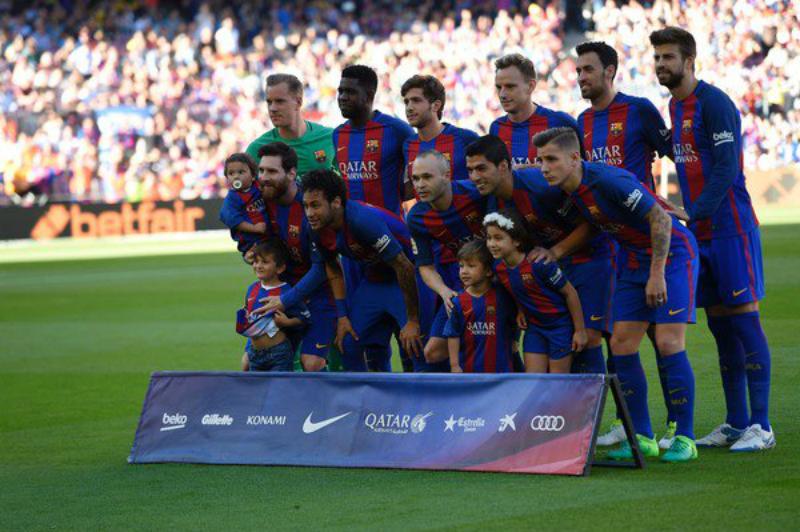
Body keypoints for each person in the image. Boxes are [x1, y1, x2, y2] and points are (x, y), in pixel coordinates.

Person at [534, 126, 699, 463]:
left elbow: (661, 222)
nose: (544, 167)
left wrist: (657, 274)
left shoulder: (607, 180)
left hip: (670, 257)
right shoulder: (572, 186)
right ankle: (641, 437)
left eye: (551, 159)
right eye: (540, 160)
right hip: (632, 261)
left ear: (574, 158)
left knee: (668, 342)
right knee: (621, 344)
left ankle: (685, 436)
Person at [651, 27, 774, 452]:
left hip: (731, 228)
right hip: (700, 232)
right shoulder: (674, 105)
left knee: (744, 321)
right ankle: (736, 422)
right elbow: (683, 153)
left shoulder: (714, 102)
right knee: (721, 328)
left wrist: (694, 211)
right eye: (657, 57)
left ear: (690, 61)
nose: (661, 64)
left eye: (668, 57)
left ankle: (763, 425)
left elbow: (726, 168)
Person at [575, 40, 676, 449]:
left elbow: (674, 155)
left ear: (610, 71)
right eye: (578, 70)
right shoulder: (580, 121)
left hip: (648, 239)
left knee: (661, 338)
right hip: (609, 245)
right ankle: (630, 421)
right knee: (620, 337)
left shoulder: (639, 110)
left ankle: (675, 426)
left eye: (588, 70)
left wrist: (675, 206)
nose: (581, 77)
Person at [465, 135, 611, 376]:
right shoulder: (492, 203)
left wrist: (555, 251)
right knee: (558, 342)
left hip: (589, 259)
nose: (474, 177)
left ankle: (594, 413)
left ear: (503, 166)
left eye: (481, 168)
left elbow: (593, 222)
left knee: (590, 339)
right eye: (470, 170)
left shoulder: (542, 187)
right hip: (548, 268)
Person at [299, 169, 423, 371]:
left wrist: (412, 320)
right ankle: (367, 401)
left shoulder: (360, 220)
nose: (310, 213)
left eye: (315, 205)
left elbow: (404, 266)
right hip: (374, 280)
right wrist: (342, 316)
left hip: (405, 278)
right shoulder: (315, 227)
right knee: (347, 342)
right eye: (306, 206)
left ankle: (420, 401)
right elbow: (333, 268)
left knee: (416, 345)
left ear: (336, 202)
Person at [250, 142, 339, 372]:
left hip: (319, 294)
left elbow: (322, 268)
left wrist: (286, 299)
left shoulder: (310, 209)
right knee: (252, 361)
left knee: (312, 363)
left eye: (271, 171)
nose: (263, 177)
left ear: (291, 173)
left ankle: (328, 407)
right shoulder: (263, 201)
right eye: (261, 170)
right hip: (285, 291)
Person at [406, 150, 486, 367]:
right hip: (463, 284)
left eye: (427, 177)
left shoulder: (476, 194)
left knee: (497, 342)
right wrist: (444, 292)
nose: (420, 184)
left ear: (447, 175)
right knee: (431, 353)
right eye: (415, 178)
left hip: (498, 281)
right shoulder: (416, 216)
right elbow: (425, 266)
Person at [484, 208, 587, 373]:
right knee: (533, 382)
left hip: (559, 327)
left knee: (557, 384)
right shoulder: (499, 267)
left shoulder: (539, 264)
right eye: (489, 238)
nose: (491, 244)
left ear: (516, 241)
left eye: (498, 238)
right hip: (535, 329)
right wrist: (520, 309)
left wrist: (580, 331)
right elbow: (516, 289)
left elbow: (570, 293)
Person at [333, 64, 415, 215]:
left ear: (369, 96)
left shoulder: (397, 130)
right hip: (352, 228)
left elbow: (419, 175)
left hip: (390, 229)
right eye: (341, 91)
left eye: (350, 92)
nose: (343, 97)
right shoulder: (337, 134)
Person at [489, 54, 578, 168]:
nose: (502, 94)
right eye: (499, 87)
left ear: (531, 86)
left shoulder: (560, 123)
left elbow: (582, 171)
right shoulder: (496, 128)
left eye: (510, 87)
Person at [444, 239, 519, 373]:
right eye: (461, 266)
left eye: (471, 266)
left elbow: (514, 319)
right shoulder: (458, 301)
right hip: (470, 373)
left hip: (502, 372)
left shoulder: (502, 296)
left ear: (488, 271)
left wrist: (515, 339)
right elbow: (452, 334)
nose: (464, 271)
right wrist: (454, 365)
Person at [236, 240, 310, 372]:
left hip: (278, 354)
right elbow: (251, 319)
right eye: (256, 262)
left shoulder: (287, 292)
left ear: (280, 268)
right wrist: (248, 350)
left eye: (264, 262)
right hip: (255, 354)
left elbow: (304, 318)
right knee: (257, 391)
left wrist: (287, 322)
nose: (258, 266)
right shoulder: (252, 289)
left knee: (279, 390)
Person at [245, 74, 335, 179]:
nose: (272, 108)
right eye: (269, 102)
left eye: (279, 101)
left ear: (298, 102)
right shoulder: (256, 149)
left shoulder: (330, 138)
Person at [401, 74, 479, 184]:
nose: (409, 108)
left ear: (436, 106)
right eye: (406, 102)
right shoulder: (408, 145)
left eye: (416, 100)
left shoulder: (466, 139)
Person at [219, 153, 269, 257]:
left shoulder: (259, 187)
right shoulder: (232, 199)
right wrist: (254, 228)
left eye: (241, 172)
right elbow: (232, 220)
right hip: (252, 242)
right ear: (227, 178)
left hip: (270, 236)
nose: (236, 176)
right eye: (231, 173)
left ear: (253, 175)